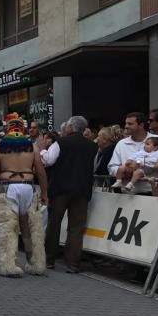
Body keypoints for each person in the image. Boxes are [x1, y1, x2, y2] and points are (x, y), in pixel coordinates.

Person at [0, 114, 48, 278]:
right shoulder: (32, 147)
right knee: (32, 227)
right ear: (23, 128)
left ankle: (8, 265)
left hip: (8, 188)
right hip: (28, 188)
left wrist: (5, 174)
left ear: (7, 128)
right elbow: (41, 172)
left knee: (8, 228)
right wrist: (45, 193)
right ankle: (36, 263)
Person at [43, 115, 97, 274]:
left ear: (71, 128)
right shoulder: (92, 146)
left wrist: (42, 151)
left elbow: (48, 161)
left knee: (54, 224)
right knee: (76, 228)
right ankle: (73, 263)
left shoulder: (60, 142)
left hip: (60, 188)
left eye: (67, 125)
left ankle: (49, 260)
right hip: (82, 190)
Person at [108, 112, 158, 194]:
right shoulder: (121, 144)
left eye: (130, 124)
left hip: (152, 192)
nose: (126, 126)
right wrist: (126, 171)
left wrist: (140, 164)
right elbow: (112, 167)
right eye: (126, 123)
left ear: (141, 125)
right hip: (127, 193)